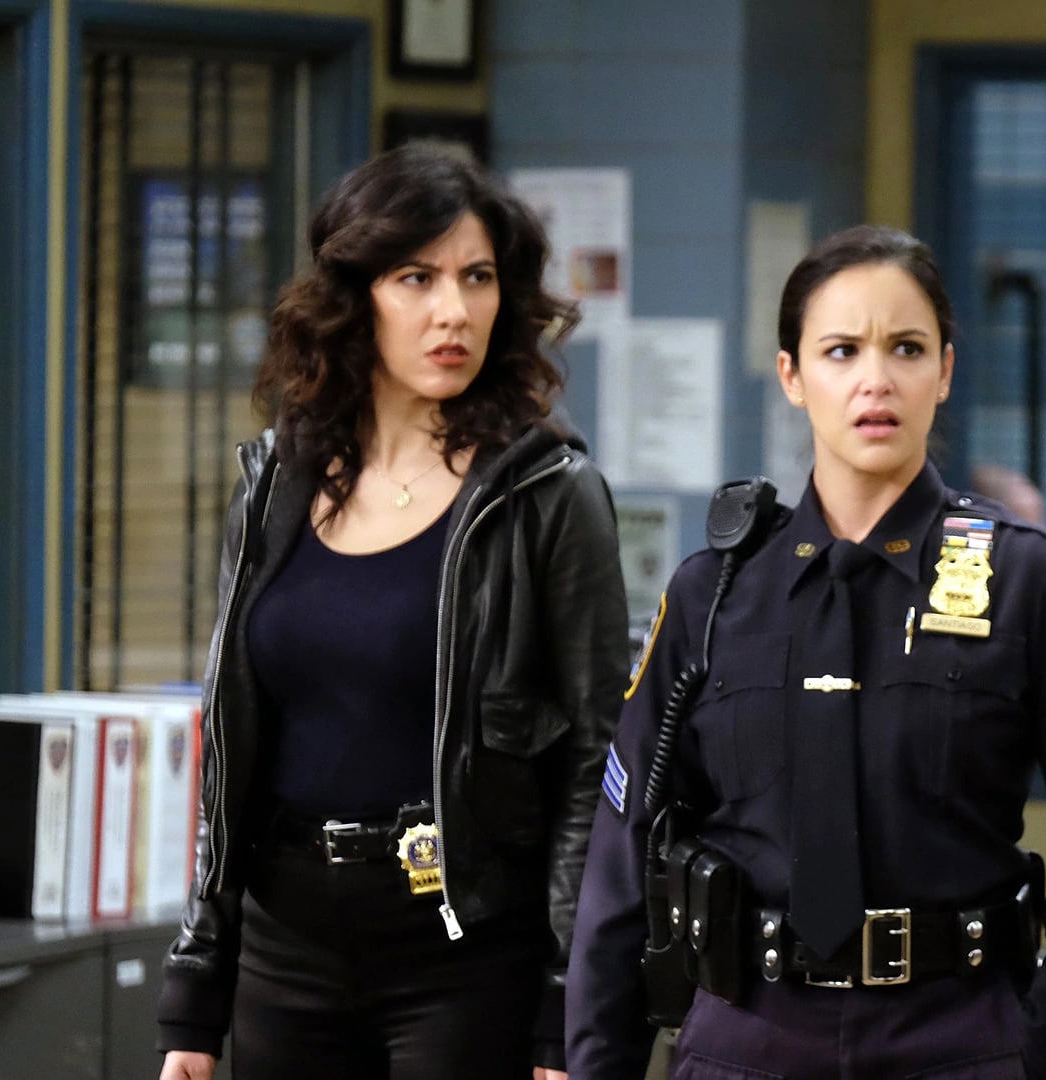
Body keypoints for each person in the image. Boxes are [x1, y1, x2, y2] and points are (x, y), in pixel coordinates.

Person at [566, 225, 1046, 1079]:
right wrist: (595, 1059)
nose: (876, 379)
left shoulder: (1028, 579)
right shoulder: (714, 595)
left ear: (945, 370)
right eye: (841, 351)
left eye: (907, 348)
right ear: (791, 375)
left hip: (960, 1040)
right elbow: (623, 847)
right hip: (744, 1041)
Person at [155, 145, 628, 1080]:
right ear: (355, 296)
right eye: (417, 278)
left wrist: (564, 1001)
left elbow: (594, 760)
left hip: (464, 957)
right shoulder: (274, 484)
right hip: (284, 950)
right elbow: (232, 745)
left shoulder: (545, 493)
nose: (454, 311)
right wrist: (196, 991)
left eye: (477, 278)